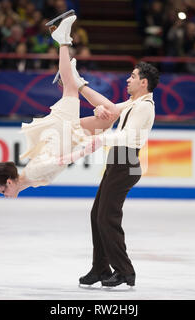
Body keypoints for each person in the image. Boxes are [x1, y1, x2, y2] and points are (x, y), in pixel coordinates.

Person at [0, 11, 109, 197]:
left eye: (2, 191)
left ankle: (62, 40)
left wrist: (85, 151)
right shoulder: (28, 180)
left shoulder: (32, 173)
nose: (4, 195)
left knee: (71, 89)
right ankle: (69, 71)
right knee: (107, 120)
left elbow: (62, 161)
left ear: (9, 182)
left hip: (62, 129)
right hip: (67, 136)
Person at [65, 58, 160, 288]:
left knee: (107, 217)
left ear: (144, 83)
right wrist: (79, 84)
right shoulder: (133, 103)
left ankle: (125, 272)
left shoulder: (144, 107)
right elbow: (110, 109)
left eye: (133, 76)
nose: (128, 79)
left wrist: (100, 139)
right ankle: (100, 268)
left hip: (126, 163)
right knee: (97, 214)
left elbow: (127, 136)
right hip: (118, 162)